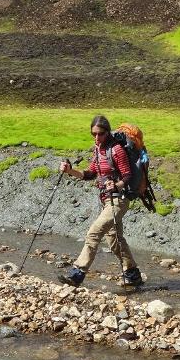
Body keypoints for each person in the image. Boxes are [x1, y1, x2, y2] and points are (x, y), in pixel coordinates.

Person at [57, 115, 144, 288]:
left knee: (94, 232)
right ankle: (132, 274)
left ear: (108, 132)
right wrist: (70, 170)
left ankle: (77, 274)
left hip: (119, 200)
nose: (97, 138)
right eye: (94, 134)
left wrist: (116, 185)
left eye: (101, 134)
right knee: (114, 240)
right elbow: (90, 174)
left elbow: (127, 175)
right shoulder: (98, 149)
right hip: (106, 201)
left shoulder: (117, 150)